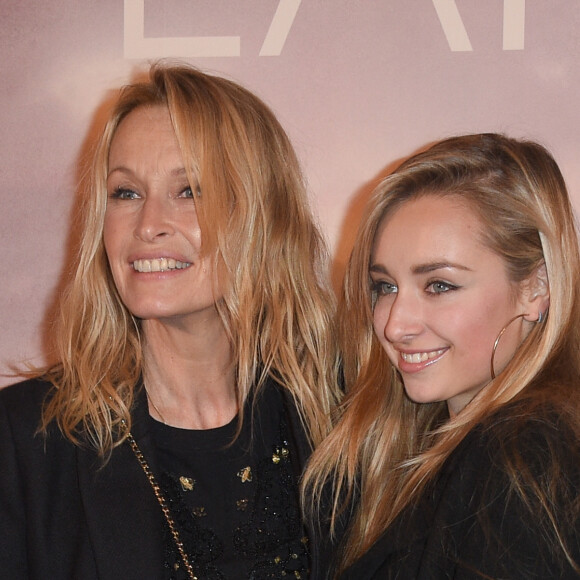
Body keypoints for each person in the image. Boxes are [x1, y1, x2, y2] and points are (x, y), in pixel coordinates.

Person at [0, 62, 339, 579]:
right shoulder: (25, 439)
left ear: (262, 216)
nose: (148, 225)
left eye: (190, 191)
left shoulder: (342, 419)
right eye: (126, 193)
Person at [303, 133, 580, 578]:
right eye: (385, 287)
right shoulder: (434, 445)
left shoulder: (527, 458)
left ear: (536, 287)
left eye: (439, 285)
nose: (395, 325)